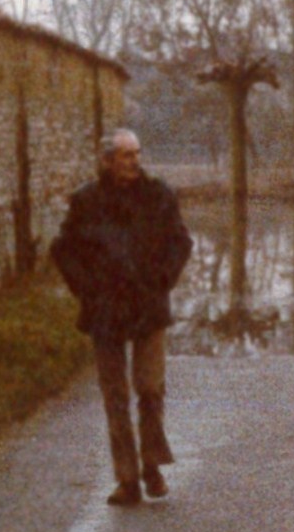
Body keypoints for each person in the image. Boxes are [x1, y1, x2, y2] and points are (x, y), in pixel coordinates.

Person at [51, 129, 193, 506]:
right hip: (106, 310)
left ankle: (151, 465)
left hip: (148, 305)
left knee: (150, 388)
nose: (133, 162)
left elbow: (181, 241)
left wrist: (162, 279)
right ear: (108, 161)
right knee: (115, 395)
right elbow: (63, 249)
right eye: (125, 156)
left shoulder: (158, 196)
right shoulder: (87, 201)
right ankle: (127, 479)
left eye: (137, 154)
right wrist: (87, 288)